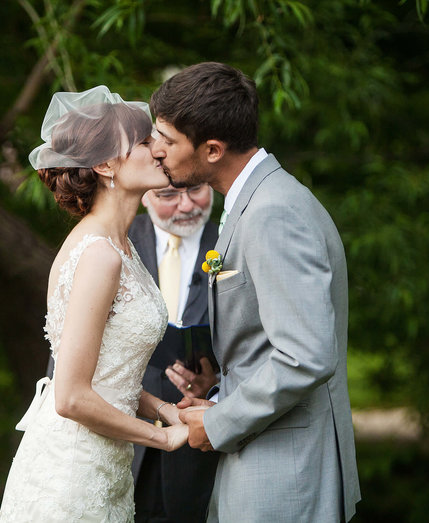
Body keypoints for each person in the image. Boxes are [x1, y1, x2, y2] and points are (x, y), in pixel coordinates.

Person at [150, 62, 361, 522]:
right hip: (268, 458)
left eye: (167, 140)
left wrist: (218, 422)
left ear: (211, 149)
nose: (156, 152)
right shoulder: (257, 200)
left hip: (285, 474)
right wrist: (220, 394)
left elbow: (306, 355)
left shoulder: (272, 213)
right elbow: (268, 348)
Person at [0, 85, 189, 523]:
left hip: (106, 468)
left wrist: (163, 408)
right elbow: (71, 397)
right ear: (105, 166)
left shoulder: (120, 246)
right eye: (143, 143)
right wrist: (162, 437)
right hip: (71, 475)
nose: (158, 150)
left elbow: (108, 374)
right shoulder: (99, 254)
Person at [129, 182, 221, 522]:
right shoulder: (116, 240)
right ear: (144, 194)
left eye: (195, 190)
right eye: (168, 196)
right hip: (127, 437)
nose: (185, 206)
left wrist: (215, 384)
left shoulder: (232, 242)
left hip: (198, 445)